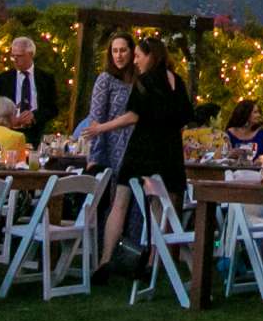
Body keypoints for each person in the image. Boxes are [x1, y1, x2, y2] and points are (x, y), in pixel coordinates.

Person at [81, 34, 191, 265]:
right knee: (161, 205)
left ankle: (105, 258)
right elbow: (185, 116)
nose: (136, 61)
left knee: (120, 201)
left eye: (139, 56)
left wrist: (101, 128)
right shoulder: (177, 81)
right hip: (170, 150)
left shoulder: (145, 81)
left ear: (150, 56)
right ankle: (153, 261)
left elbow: (132, 116)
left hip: (142, 148)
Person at [0, 35, 61, 147]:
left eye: (19, 56)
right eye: (13, 56)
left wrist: (34, 116)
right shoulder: (4, 78)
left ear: (31, 55)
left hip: (36, 132)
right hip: (10, 131)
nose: (15, 60)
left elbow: (53, 108)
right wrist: (12, 120)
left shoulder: (45, 78)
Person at [84, 33, 136, 174]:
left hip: (136, 147)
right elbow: (96, 120)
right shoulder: (106, 79)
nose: (118, 55)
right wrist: (94, 157)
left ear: (132, 52)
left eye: (123, 50)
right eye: (115, 51)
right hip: (111, 146)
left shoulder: (140, 80)